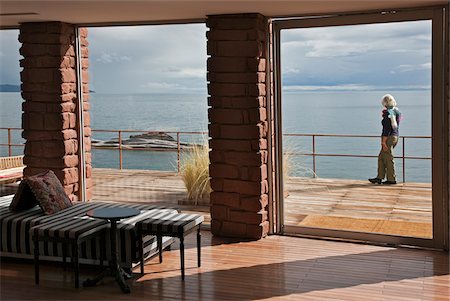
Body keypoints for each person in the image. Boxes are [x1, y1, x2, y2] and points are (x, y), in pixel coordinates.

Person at [369, 94, 402, 185]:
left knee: (388, 158)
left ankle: (391, 179)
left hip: (389, 138)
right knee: (382, 157)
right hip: (395, 137)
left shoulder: (388, 113)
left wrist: (383, 142)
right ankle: (379, 177)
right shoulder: (396, 111)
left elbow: (386, 129)